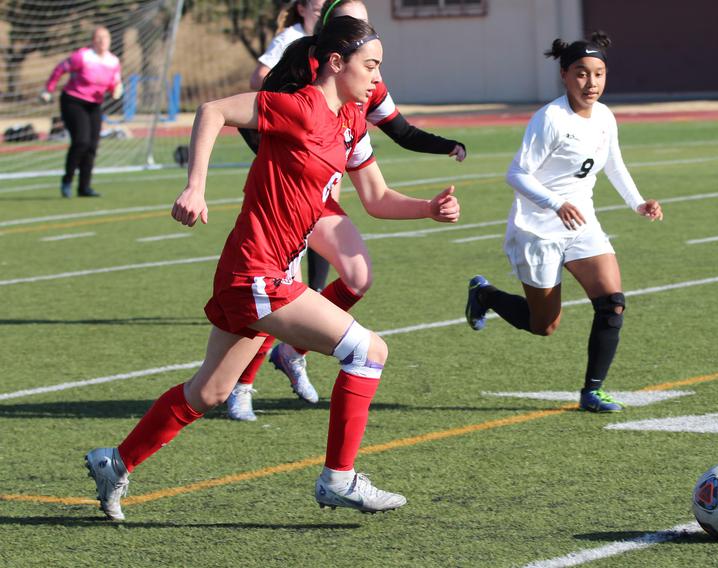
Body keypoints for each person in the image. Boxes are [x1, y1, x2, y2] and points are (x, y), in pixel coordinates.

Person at [84, 16, 460, 521]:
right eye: (370, 66)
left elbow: (376, 197)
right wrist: (195, 187)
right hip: (255, 273)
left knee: (210, 391)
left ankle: (115, 461)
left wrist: (427, 209)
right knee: (369, 351)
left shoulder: (351, 120)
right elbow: (213, 110)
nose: (377, 78)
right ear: (335, 63)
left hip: (263, 273)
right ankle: (338, 479)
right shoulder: (300, 108)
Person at [227, 0, 468, 421]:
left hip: (322, 200)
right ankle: (242, 386)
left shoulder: (357, 109)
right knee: (282, 295)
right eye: (351, 24)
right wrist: (270, 164)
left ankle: (289, 352)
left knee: (356, 277)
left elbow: (378, 188)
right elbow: (241, 108)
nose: (375, 74)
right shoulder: (302, 88)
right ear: (334, 49)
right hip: (289, 202)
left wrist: (430, 204)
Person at [465, 32, 663, 413]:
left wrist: (638, 202)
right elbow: (517, 174)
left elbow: (613, 164)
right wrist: (556, 204)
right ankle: (485, 295)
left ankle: (592, 391)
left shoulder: (605, 116)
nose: (591, 83)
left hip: (581, 224)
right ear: (564, 75)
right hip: (537, 229)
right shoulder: (550, 119)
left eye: (599, 74)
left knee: (613, 304)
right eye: (582, 74)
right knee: (544, 324)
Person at [39, 27, 123, 198]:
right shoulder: (83, 56)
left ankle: (84, 187)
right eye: (98, 37)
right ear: (93, 40)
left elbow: (114, 83)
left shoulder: (113, 61)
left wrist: (116, 90)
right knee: (81, 141)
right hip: (73, 101)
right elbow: (60, 69)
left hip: (94, 105)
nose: (102, 41)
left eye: (105, 37)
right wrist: (48, 89)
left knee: (92, 145)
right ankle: (67, 180)